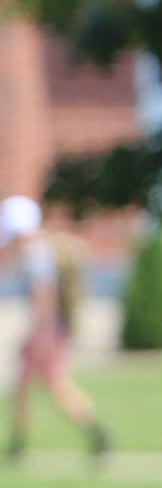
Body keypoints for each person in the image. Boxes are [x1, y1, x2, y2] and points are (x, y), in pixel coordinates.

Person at [3, 196, 113, 465]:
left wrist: (40, 337)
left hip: (47, 330)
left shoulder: (35, 256)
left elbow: (44, 299)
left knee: (56, 385)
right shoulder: (40, 252)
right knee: (26, 385)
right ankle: (18, 443)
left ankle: (98, 435)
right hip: (48, 329)